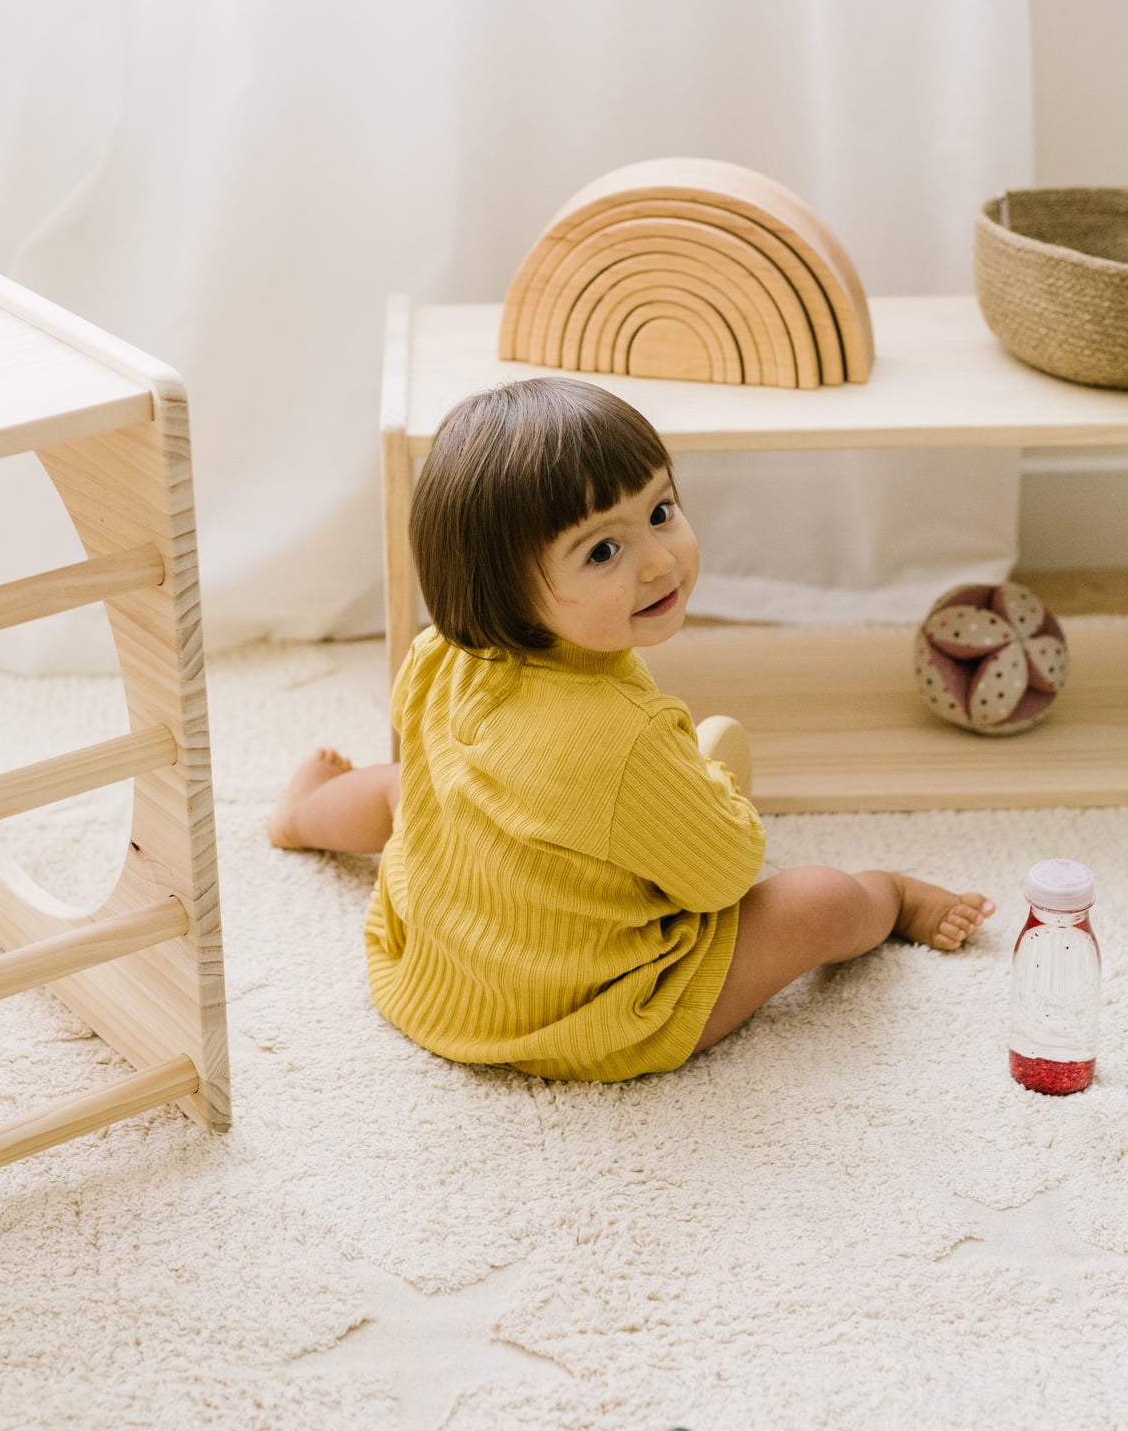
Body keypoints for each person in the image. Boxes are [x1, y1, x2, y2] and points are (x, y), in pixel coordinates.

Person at [268, 377, 993, 1080]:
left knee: (410, 788)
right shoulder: (629, 739)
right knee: (819, 901)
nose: (658, 561)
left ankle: (301, 816)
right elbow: (721, 877)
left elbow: (427, 751)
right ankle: (894, 895)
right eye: (602, 551)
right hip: (589, 1017)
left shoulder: (440, 653)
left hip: (435, 975)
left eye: (660, 511)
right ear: (506, 589)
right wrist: (708, 784)